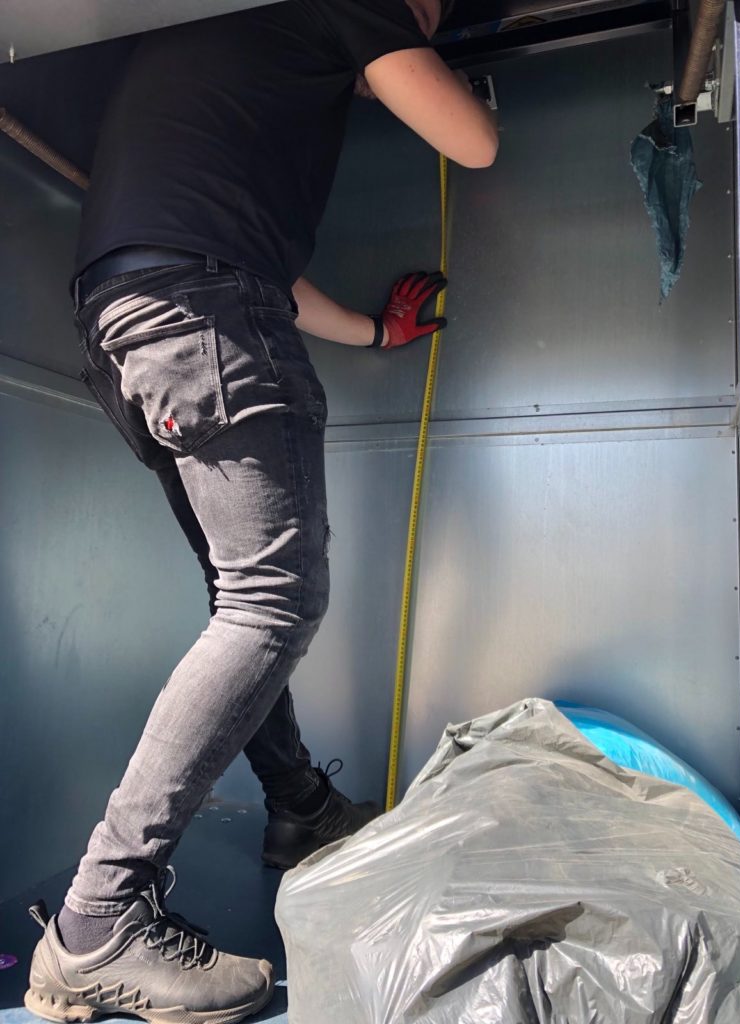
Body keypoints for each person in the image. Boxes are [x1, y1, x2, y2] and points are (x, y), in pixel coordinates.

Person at [25, 1, 498, 1020]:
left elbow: (269, 268)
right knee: (273, 604)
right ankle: (99, 920)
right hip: (201, 310)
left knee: (243, 599)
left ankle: (298, 808)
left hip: (133, 316)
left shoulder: (228, 62)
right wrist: (388, 51)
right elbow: (477, 140)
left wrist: (377, 333)